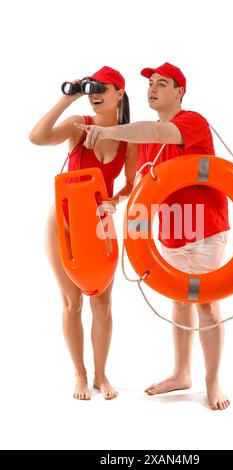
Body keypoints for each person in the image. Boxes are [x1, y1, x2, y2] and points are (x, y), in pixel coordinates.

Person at [75, 62, 231, 410]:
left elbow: (160, 134)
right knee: (179, 299)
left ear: (179, 92)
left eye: (162, 84)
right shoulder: (144, 140)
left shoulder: (192, 122)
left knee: (205, 302)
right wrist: (116, 201)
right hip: (172, 229)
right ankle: (181, 373)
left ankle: (213, 381)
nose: (152, 89)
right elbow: (144, 185)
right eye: (149, 85)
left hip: (205, 226)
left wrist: (114, 132)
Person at [29, 66, 139, 400]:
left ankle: (101, 376)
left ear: (119, 94)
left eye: (101, 88)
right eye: (91, 88)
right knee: (72, 303)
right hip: (62, 221)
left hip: (97, 223)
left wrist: (113, 202)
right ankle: (80, 373)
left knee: (102, 303)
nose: (94, 93)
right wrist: (67, 98)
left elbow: (131, 185)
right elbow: (37, 137)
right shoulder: (79, 126)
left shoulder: (127, 136)